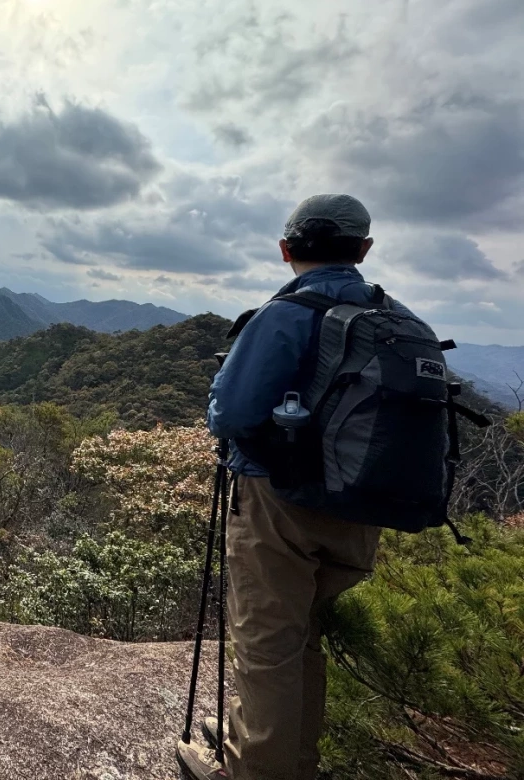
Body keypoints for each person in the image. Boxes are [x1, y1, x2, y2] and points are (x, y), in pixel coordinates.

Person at [180, 194, 413, 780]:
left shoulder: (284, 315)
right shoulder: (396, 317)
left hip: (279, 501)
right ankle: (285, 757)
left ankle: (256, 769)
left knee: (267, 644)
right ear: (364, 249)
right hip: (362, 505)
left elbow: (231, 415)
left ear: (286, 249)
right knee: (301, 636)